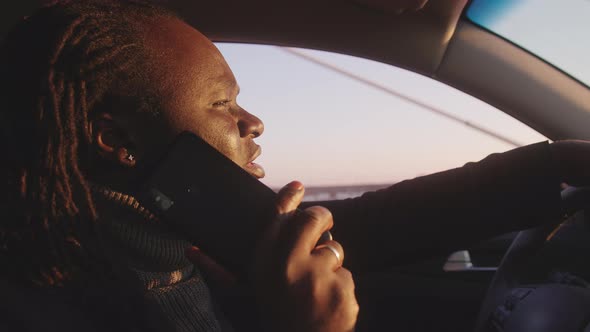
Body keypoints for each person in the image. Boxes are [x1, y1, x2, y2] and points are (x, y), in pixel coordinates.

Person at [2, 1, 590, 331]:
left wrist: (554, 165)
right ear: (115, 140)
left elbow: (372, 225)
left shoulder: (184, 242)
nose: (252, 122)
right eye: (221, 102)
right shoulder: (52, 308)